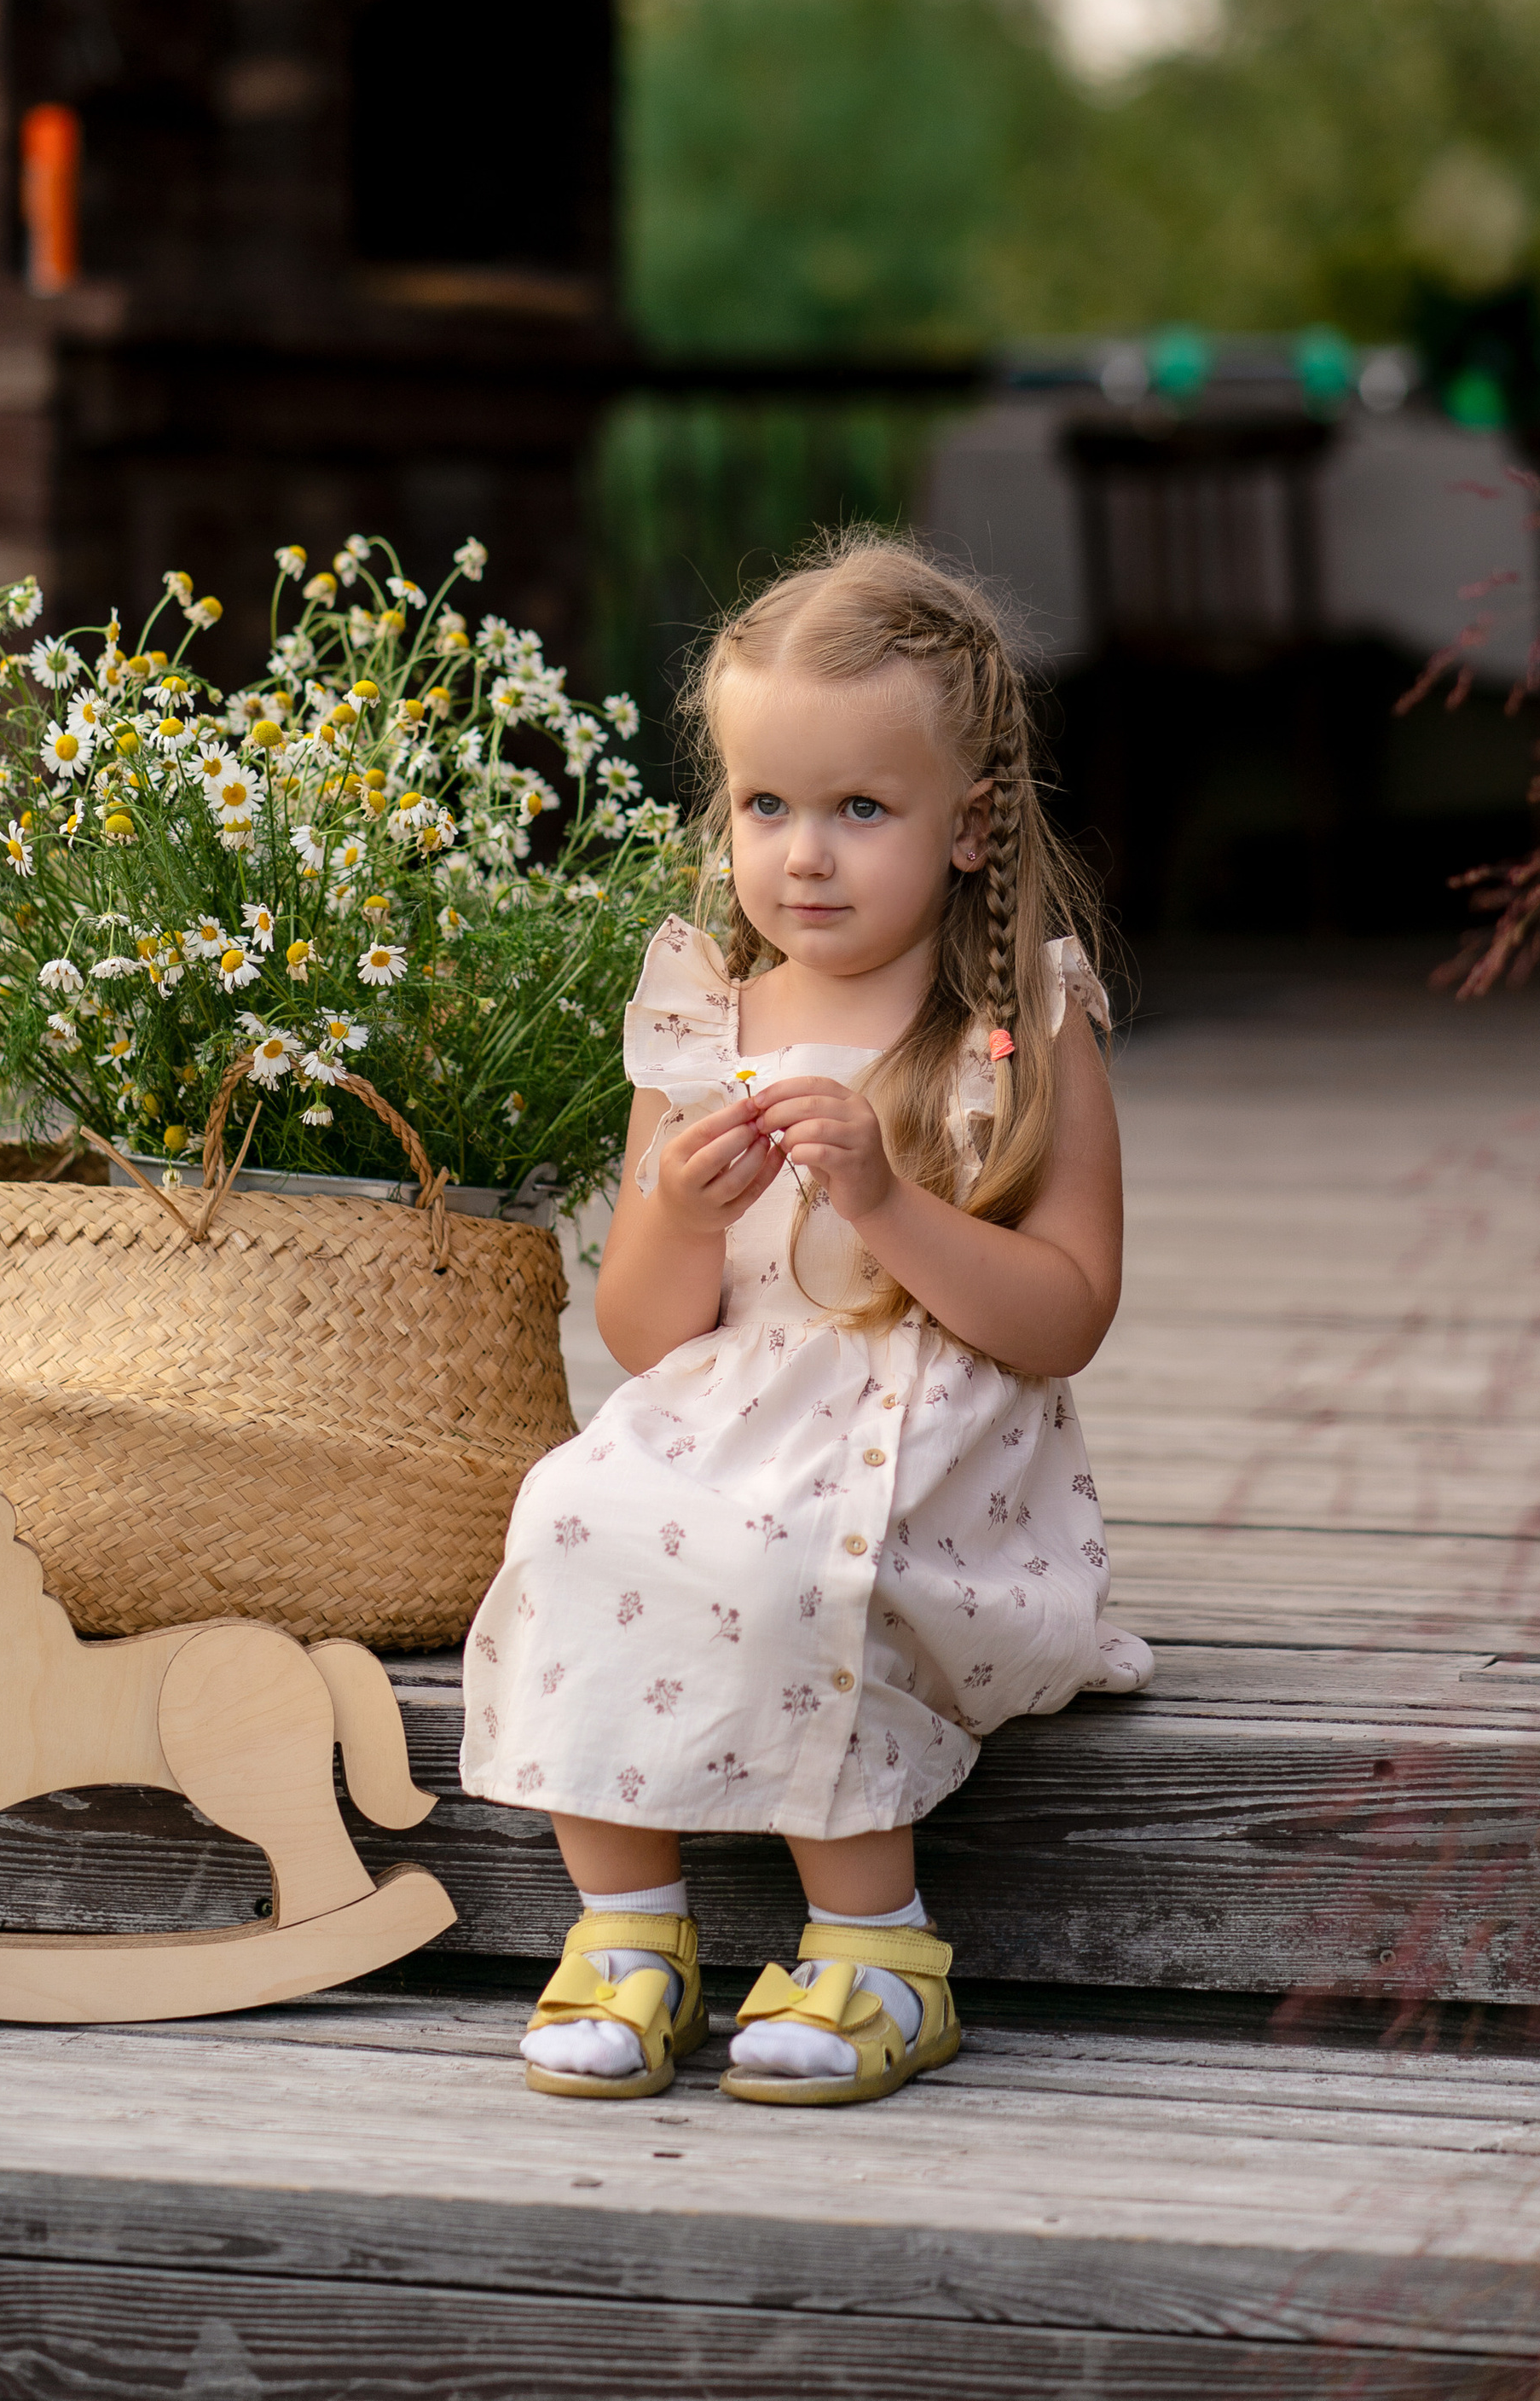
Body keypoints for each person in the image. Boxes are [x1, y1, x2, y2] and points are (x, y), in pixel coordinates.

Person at [459, 532, 1152, 2107]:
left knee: (795, 1552)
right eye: (767, 806)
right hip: (733, 1407)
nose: (806, 857)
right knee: (571, 1505)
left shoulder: (1017, 1028)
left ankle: (878, 1948)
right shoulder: (704, 1017)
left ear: (969, 825)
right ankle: (629, 1931)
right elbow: (646, 1335)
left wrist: (896, 1209)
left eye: (860, 809)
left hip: (935, 1430)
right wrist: (684, 1212)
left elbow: (1065, 1318)